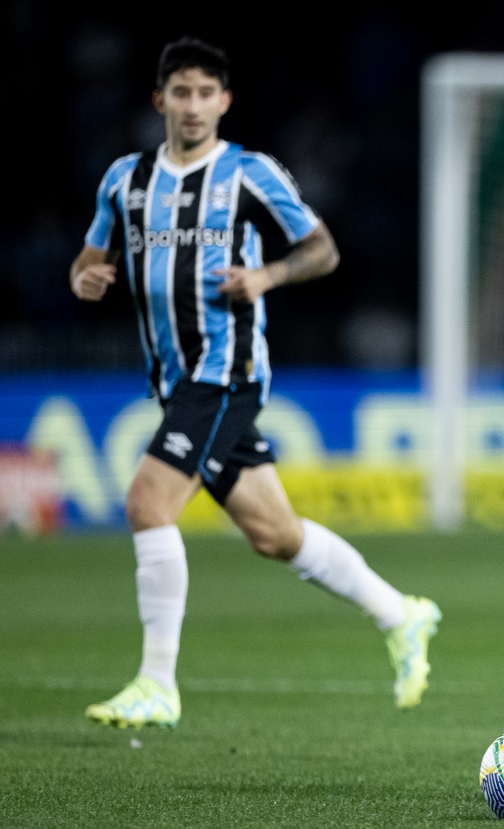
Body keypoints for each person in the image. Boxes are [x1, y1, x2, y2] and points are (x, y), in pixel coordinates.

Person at [69, 36, 441, 728]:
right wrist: (84, 277)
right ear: (160, 100)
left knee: (148, 503)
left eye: (206, 93)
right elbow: (88, 258)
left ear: (225, 101)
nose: (193, 105)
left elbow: (322, 249)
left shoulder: (248, 173)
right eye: (181, 92)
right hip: (176, 380)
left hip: (227, 371)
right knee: (274, 534)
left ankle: (157, 683)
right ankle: (401, 613)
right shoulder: (125, 180)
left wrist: (267, 275)